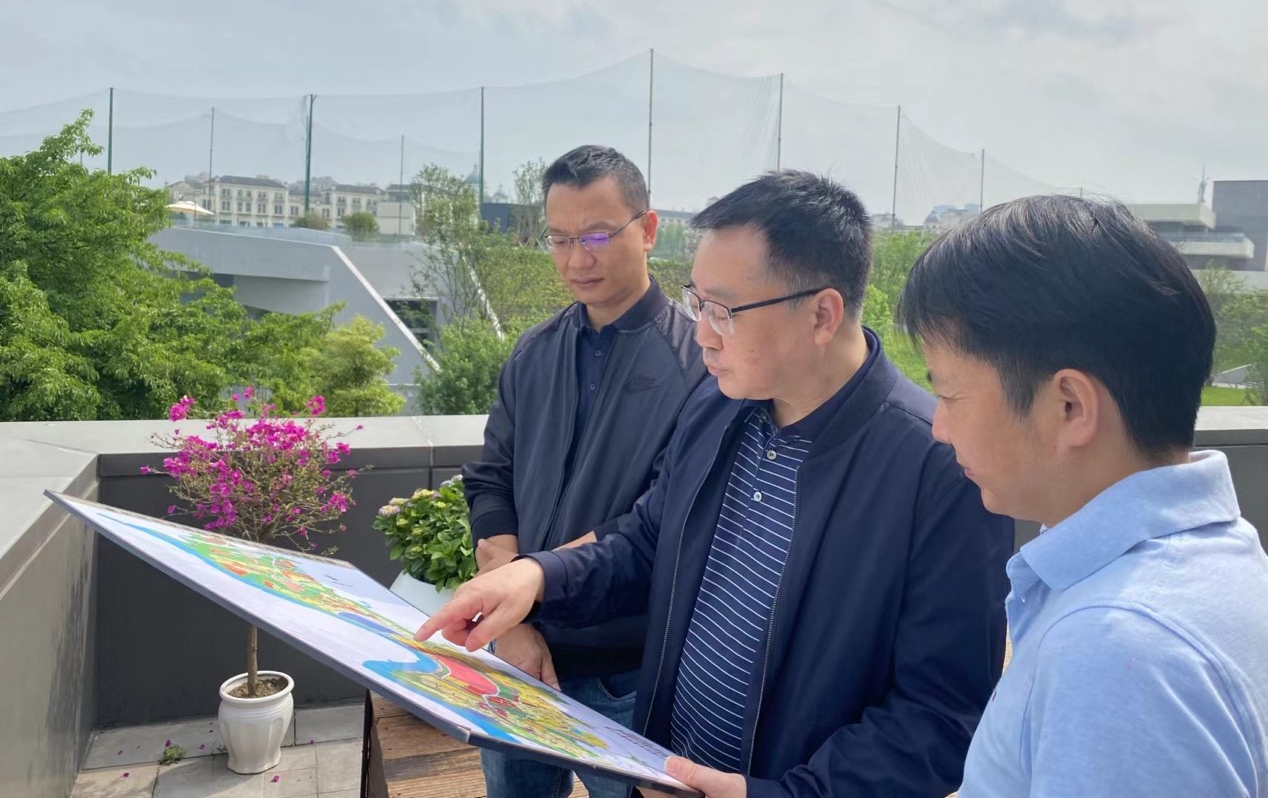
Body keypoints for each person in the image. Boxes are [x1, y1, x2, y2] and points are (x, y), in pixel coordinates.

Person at [422, 170, 1013, 797]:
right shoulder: (719, 406)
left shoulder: (940, 468)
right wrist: (537, 578)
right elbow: (648, 543)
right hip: (664, 774)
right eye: (697, 303)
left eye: (724, 312)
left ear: (821, 314)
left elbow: (940, 717)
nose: (703, 333)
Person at [896, 195, 1268, 796]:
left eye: (949, 394)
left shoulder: (1118, 653)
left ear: (1069, 405)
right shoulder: (1217, 557)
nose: (939, 427)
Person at [461, 144, 707, 798]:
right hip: (517, 657)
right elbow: (491, 480)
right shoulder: (533, 352)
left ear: (647, 229)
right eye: (560, 239)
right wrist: (513, 619)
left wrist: (530, 588)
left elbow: (658, 528)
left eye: (596, 236)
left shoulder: (700, 368)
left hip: (627, 674)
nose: (577, 260)